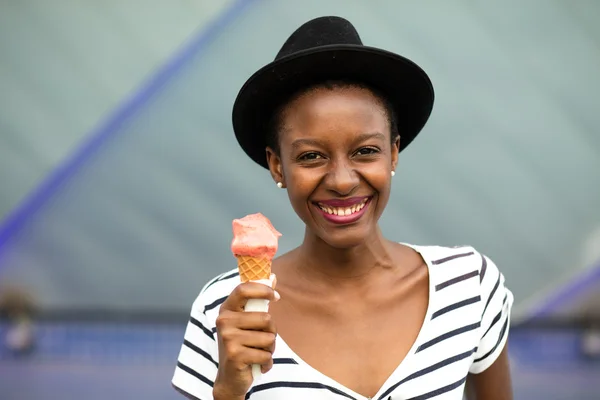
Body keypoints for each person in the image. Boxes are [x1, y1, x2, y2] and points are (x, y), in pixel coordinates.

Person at [172, 16, 514, 400]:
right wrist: (228, 391)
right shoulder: (225, 311)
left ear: (394, 153)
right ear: (277, 165)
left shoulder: (469, 285)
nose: (342, 180)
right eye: (312, 156)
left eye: (366, 151)